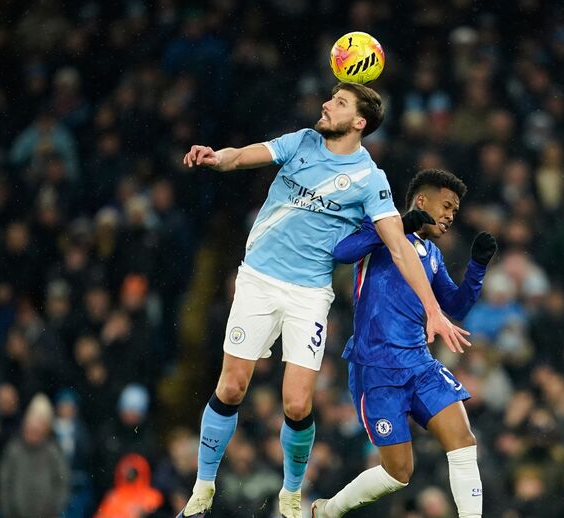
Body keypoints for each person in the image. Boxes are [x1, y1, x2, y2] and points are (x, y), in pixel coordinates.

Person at [179, 83, 469, 518]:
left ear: (359, 122)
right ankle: (202, 490)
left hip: (309, 294)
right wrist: (215, 157)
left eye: (339, 102)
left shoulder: (370, 179)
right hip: (259, 279)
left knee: (297, 403)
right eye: (331, 98)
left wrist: (433, 310)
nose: (326, 105)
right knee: (232, 386)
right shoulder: (301, 142)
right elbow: (240, 156)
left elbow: (400, 247)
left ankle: (291, 497)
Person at [312, 169, 496, 517]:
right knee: (398, 473)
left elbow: (455, 307)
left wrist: (477, 267)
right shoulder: (381, 229)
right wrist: (398, 227)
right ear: (421, 200)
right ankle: (326, 512)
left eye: (455, 211)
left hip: (420, 364)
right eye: (446, 206)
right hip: (376, 368)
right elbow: (342, 251)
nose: (450, 216)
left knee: (463, 442)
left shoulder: (432, 255)